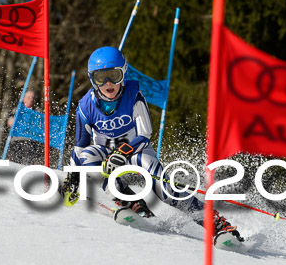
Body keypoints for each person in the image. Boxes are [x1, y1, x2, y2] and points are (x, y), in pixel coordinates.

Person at [59, 46, 243, 242]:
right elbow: (80, 146)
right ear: (91, 79)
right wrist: (73, 177)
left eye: (113, 75)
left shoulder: (133, 95)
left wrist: (123, 153)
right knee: (87, 158)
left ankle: (217, 225)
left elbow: (145, 133)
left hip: (137, 149)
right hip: (106, 152)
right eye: (100, 78)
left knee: (166, 191)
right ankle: (129, 201)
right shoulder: (86, 106)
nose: (108, 83)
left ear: (123, 73)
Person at [6, 89, 45, 165]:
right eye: (29, 97)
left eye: (33, 98)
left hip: (32, 141)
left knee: (28, 162)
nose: (31, 99)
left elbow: (41, 125)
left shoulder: (38, 111)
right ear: (23, 98)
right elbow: (9, 122)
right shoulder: (17, 110)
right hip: (18, 140)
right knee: (16, 161)